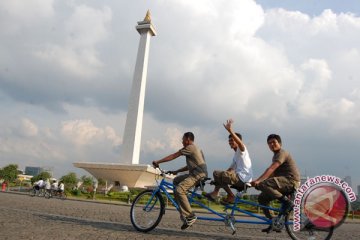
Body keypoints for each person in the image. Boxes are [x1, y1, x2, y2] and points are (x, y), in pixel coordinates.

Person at [152, 132, 208, 230]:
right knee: (176, 180)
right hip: (197, 173)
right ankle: (183, 214)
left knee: (179, 190)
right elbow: (189, 166)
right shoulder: (197, 149)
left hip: (197, 175)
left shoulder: (189, 147)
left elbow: (174, 155)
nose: (182, 141)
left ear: (188, 139)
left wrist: (158, 161)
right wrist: (176, 171)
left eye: (183, 139)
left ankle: (190, 215)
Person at [250, 134, 300, 233]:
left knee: (263, 184)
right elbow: (272, 173)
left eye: (274, 142)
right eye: (269, 143)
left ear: (280, 143)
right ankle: (274, 222)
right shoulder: (275, 156)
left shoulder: (282, 153)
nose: (272, 144)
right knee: (262, 198)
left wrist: (259, 182)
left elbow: (271, 168)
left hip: (291, 181)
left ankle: (287, 202)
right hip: (284, 183)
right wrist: (256, 182)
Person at [204, 119, 253, 205]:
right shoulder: (235, 156)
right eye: (229, 140)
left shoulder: (242, 150)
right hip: (239, 178)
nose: (230, 142)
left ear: (237, 141)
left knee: (216, 173)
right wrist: (216, 182)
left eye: (232, 140)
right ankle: (226, 196)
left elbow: (240, 144)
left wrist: (230, 130)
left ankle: (225, 195)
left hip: (243, 178)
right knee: (219, 175)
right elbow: (229, 170)